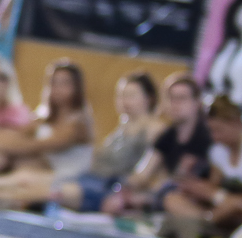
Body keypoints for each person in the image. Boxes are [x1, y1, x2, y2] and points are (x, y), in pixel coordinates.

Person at [0, 60, 95, 209]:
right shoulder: (44, 116)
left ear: (76, 88)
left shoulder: (78, 123)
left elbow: (34, 146)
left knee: (22, 176)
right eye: (54, 83)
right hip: (42, 168)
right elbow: (18, 134)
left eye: (64, 83)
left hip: (65, 177)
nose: (58, 88)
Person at [163, 96, 242, 238]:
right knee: (172, 198)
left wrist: (216, 195)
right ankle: (207, 226)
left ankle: (204, 227)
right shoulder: (217, 151)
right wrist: (198, 190)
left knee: (236, 205)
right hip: (221, 209)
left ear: (236, 124)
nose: (215, 136)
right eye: (212, 131)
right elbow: (214, 187)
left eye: (219, 130)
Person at [55, 72, 162, 213]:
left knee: (48, 190)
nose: (125, 101)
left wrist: (121, 192)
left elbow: (144, 176)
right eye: (121, 95)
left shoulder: (153, 128)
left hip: (108, 187)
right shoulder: (123, 127)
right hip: (92, 178)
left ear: (149, 99)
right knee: (28, 180)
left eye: (131, 96)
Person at [110, 73, 212, 216]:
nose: (175, 104)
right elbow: (143, 173)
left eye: (181, 98)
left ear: (197, 102)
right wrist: (122, 189)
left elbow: (183, 179)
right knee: (116, 204)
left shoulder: (207, 137)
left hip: (196, 200)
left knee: (170, 199)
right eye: (171, 98)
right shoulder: (168, 135)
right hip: (167, 195)